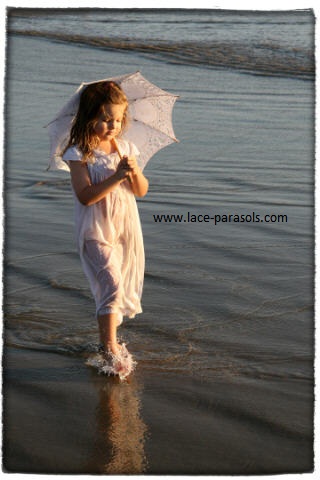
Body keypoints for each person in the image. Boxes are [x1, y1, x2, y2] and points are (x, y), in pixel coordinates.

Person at [62, 81, 148, 378]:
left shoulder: (126, 148)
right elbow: (85, 196)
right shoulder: (79, 153)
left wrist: (133, 171)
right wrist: (115, 177)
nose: (113, 125)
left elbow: (141, 191)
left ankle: (108, 343)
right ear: (89, 117)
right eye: (106, 119)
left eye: (118, 119)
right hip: (95, 228)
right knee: (111, 282)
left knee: (118, 283)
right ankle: (109, 349)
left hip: (123, 227)